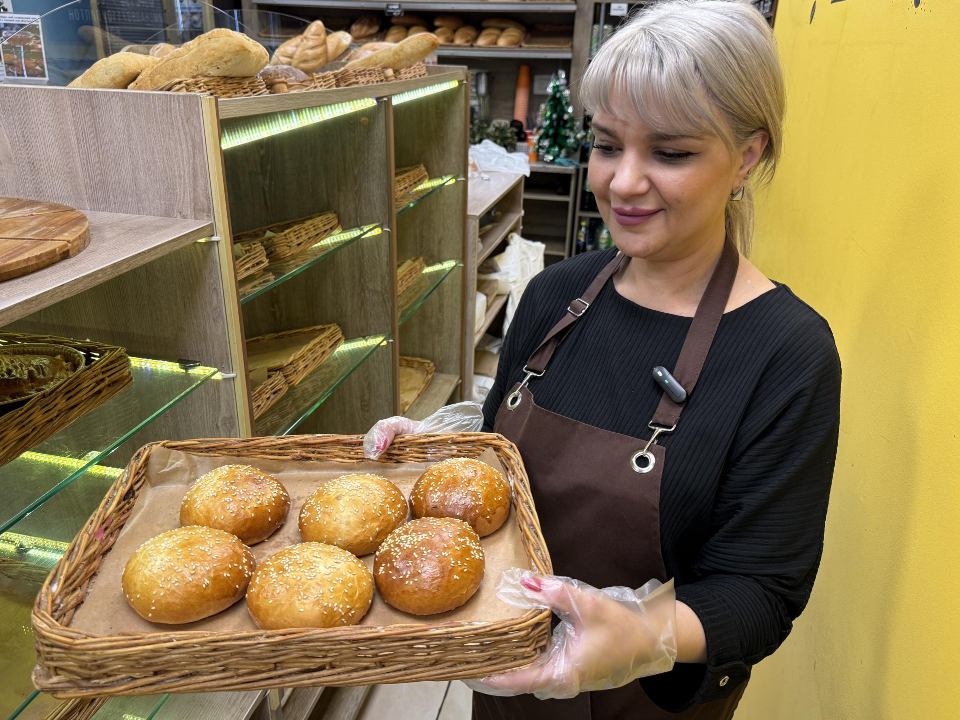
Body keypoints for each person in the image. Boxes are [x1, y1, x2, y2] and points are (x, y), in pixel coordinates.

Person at [365, 1, 842, 718]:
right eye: (609, 144)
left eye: (671, 153)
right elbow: (506, 452)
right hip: (508, 677)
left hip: (639, 701)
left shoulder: (786, 352)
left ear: (748, 154)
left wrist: (643, 637)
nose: (622, 182)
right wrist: (443, 448)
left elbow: (760, 592)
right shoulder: (557, 292)